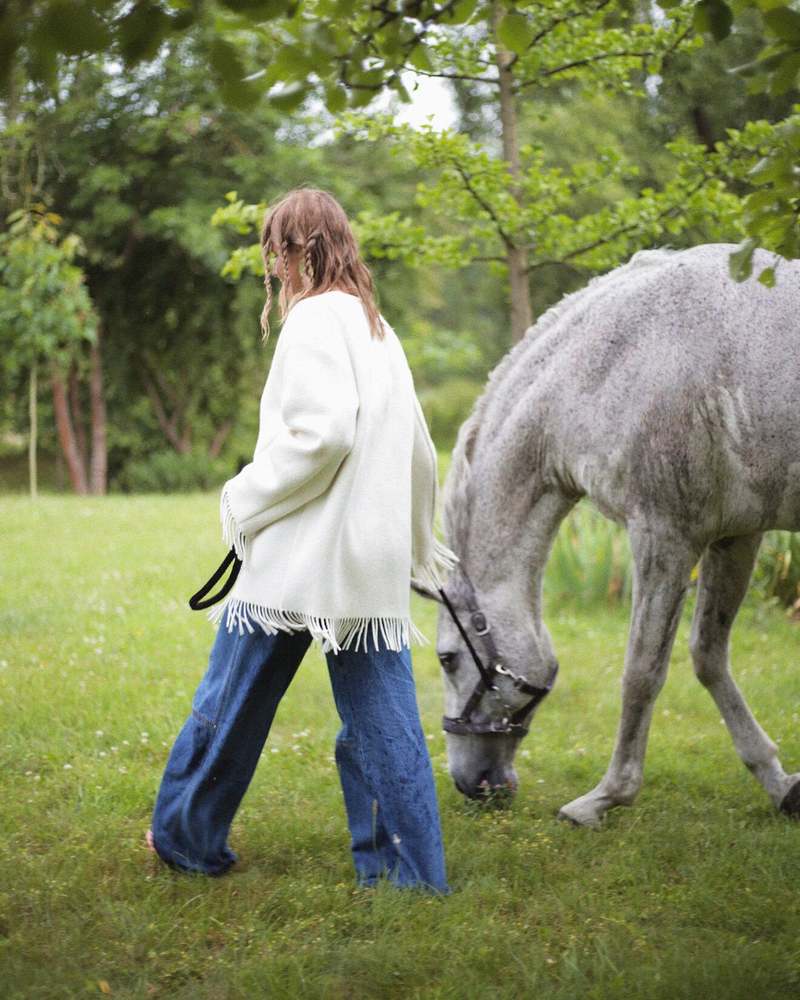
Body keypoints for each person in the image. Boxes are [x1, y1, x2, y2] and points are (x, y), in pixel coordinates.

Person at [145, 186, 459, 895]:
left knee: (231, 696)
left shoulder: (315, 320)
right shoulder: (379, 327)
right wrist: (404, 543)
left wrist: (243, 497)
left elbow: (324, 435)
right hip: (362, 563)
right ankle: (410, 877)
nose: (274, 268)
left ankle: (185, 839)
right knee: (384, 725)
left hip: (302, 558)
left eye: (278, 252)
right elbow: (419, 453)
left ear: (300, 250)